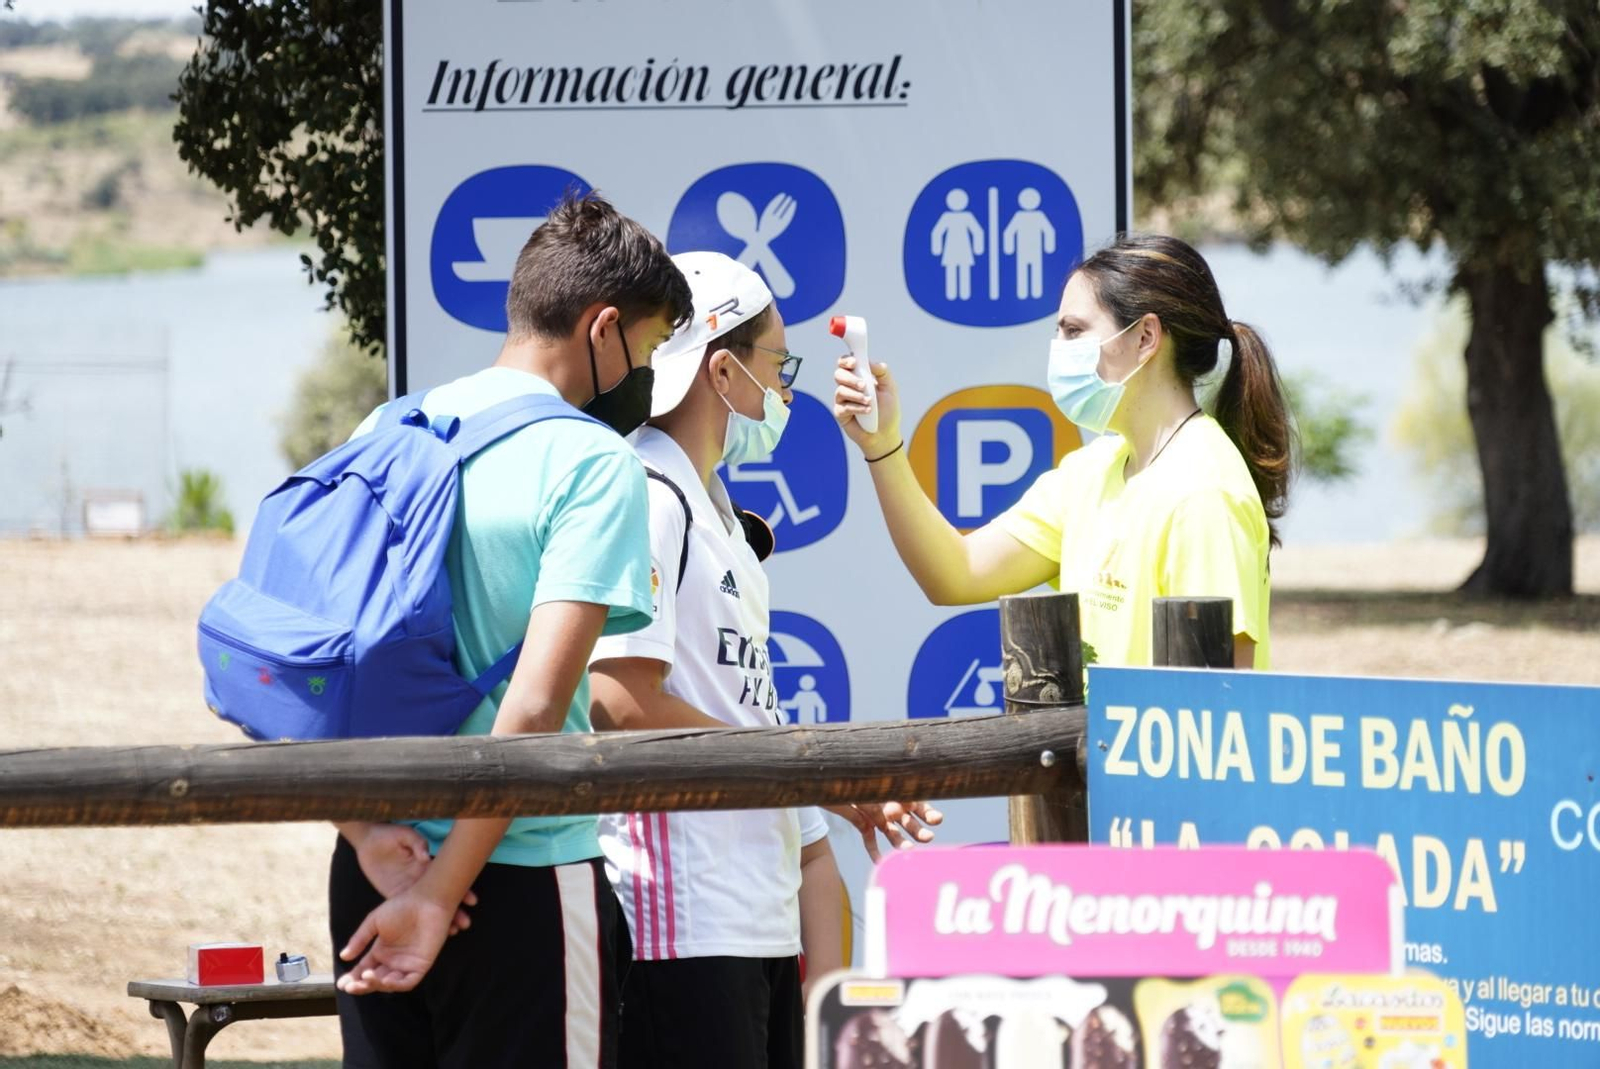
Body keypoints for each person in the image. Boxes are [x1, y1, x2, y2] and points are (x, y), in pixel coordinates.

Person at [328, 190, 694, 1069]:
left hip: (376, 865)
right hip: (522, 873)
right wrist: (440, 890)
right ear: (603, 328)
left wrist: (366, 836)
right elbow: (534, 709)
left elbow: (311, 668)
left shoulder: (391, 426)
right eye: (645, 349)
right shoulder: (594, 460)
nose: (644, 375)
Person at [588, 251, 941, 1069]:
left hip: (755, 919)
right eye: (779, 365)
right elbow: (619, 699)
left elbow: (756, 736)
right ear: (722, 368)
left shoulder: (719, 515)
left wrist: (821, 785)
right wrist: (810, 772)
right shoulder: (648, 491)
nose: (788, 390)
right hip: (675, 925)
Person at [833, 233, 1292, 669]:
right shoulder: (1093, 470)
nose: (1058, 349)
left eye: (1074, 330)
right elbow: (957, 574)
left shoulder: (1204, 492)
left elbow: (1218, 706)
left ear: (1146, 337)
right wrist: (882, 445)